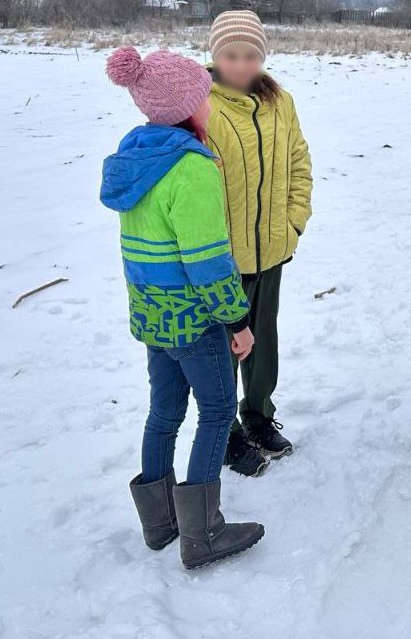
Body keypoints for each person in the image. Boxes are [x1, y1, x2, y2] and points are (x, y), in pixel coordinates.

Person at [100, 46, 265, 569]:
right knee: (216, 411)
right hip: (193, 319)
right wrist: (237, 320)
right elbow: (209, 261)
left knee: (164, 413)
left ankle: (160, 524)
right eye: (205, 97)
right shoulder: (190, 169)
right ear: (189, 107)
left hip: (153, 316)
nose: (212, 104)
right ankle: (203, 533)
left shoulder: (138, 158)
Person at [204, 10, 313, 477]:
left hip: (271, 249)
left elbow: (298, 162)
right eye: (231, 55)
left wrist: (293, 223)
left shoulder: (280, 101)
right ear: (215, 56)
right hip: (221, 257)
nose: (242, 65)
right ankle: (224, 431)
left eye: (251, 55)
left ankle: (259, 416)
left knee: (263, 340)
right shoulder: (200, 104)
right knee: (226, 346)